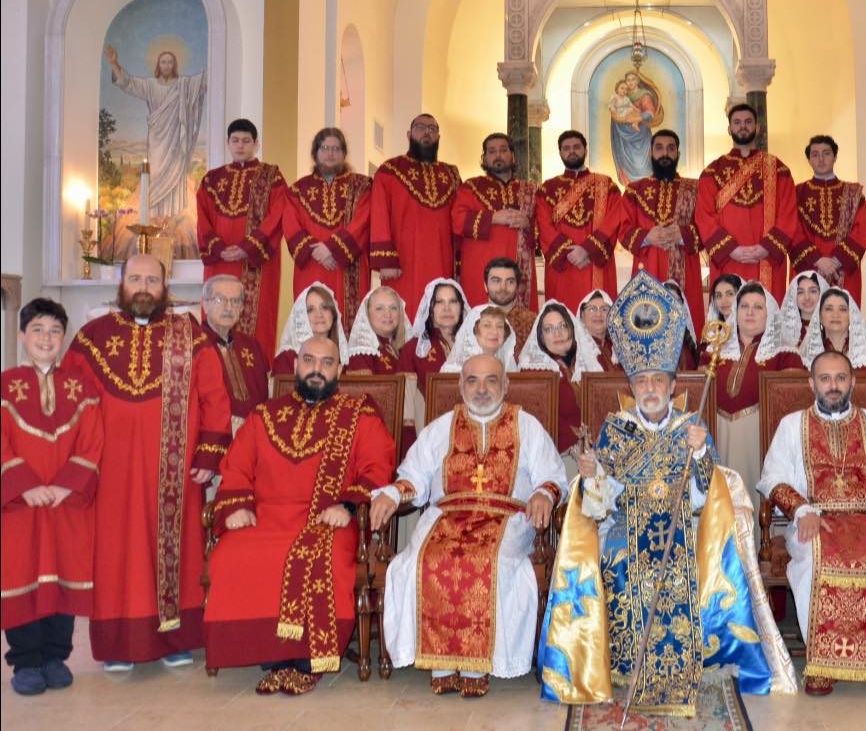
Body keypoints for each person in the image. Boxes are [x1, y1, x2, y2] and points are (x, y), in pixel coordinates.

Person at [543, 271, 790, 713]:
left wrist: (698, 457)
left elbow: (705, 500)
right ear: (631, 387)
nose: (652, 389)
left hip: (684, 524)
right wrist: (593, 475)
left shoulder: (690, 427)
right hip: (624, 526)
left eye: (659, 380)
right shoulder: (616, 429)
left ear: (674, 385)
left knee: (681, 561)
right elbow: (599, 507)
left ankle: (684, 664)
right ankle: (621, 665)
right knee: (617, 560)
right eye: (642, 382)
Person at [62, 254, 232, 669]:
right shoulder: (91, 336)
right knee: (116, 553)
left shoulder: (190, 336)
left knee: (178, 549)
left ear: (164, 286)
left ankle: (175, 641)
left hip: (173, 469)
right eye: (135, 278)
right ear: (122, 285)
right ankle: (119, 645)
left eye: (151, 279)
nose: (143, 286)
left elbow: (214, 397)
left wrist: (209, 451)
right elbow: (70, 398)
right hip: (111, 469)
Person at [203, 337, 394, 694]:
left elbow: (378, 466)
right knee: (232, 554)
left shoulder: (359, 415)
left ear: (340, 370)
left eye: (326, 363)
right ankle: (271, 655)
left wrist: (348, 506)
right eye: (309, 360)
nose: (317, 369)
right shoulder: (264, 415)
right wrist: (237, 506)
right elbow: (237, 465)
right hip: (265, 518)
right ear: (295, 367)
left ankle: (306, 660)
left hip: (328, 520)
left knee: (326, 557)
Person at [371, 354, 567, 696]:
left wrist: (543, 495)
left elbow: (552, 475)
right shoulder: (442, 426)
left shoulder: (527, 425)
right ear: (461, 386)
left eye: (491, 380)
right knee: (426, 560)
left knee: (487, 562)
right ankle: (442, 662)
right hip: (447, 515)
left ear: (505, 385)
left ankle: (479, 665)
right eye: (472, 381)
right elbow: (413, 475)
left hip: (506, 518)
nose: (481, 389)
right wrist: (392, 493)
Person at [759, 350, 866, 695]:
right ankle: (823, 664)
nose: (833, 386)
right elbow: (772, 476)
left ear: (852, 382)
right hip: (815, 519)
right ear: (812, 383)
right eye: (825, 379)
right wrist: (801, 511)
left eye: (840, 378)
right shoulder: (792, 425)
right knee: (813, 561)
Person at [2, 299, 103, 696]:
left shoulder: (83, 388)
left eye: (55, 331)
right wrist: (25, 484)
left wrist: (66, 485)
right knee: (20, 576)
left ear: (65, 338)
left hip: (66, 503)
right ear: (22, 335)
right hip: (20, 506)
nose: (46, 338)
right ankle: (25, 661)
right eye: (38, 330)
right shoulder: (5, 384)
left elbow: (94, 440)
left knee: (64, 573)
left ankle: (54, 656)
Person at [196, 119, 288, 358]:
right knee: (216, 311)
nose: (240, 145)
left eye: (246, 141)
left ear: (256, 144)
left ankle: (255, 373)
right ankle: (212, 367)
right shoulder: (211, 179)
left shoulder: (272, 177)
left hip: (256, 262)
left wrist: (249, 247)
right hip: (220, 260)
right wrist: (218, 247)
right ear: (228, 143)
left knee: (257, 321)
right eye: (235, 140)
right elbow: (202, 217)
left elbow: (278, 215)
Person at [696, 105, 800, 299]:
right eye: (737, 122)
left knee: (766, 318)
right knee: (728, 320)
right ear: (729, 129)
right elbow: (704, 216)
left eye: (748, 122)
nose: (742, 126)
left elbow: (788, 214)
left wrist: (766, 248)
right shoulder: (712, 172)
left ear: (757, 128)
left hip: (767, 259)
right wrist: (731, 250)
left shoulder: (779, 170)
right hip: (728, 259)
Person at [714, 281, 802, 503]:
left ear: (769, 313)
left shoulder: (784, 353)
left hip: (760, 440)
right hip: (717, 438)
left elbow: (790, 407)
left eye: (758, 307)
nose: (750, 312)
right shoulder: (714, 349)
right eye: (744, 306)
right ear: (736, 311)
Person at [369, 114, 462, 312]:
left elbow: (459, 218)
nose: (427, 132)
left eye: (432, 129)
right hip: (402, 263)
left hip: (442, 259)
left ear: (438, 137)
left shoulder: (451, 174)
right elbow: (379, 214)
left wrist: (461, 262)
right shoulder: (390, 170)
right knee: (403, 315)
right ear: (409, 134)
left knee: (438, 312)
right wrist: (385, 259)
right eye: (420, 127)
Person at [102, 45, 206, 219]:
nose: (166, 65)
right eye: (163, 62)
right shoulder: (150, 85)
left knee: (175, 172)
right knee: (156, 174)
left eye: (170, 62)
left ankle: (174, 217)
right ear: (159, 65)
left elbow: (204, 81)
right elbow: (128, 83)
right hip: (157, 138)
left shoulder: (184, 85)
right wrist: (114, 63)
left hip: (175, 140)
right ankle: (155, 217)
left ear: (174, 65)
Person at [284, 127, 372, 326]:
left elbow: (363, 221)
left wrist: (332, 249)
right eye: (325, 148)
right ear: (315, 152)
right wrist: (317, 252)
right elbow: (290, 225)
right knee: (311, 324)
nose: (330, 153)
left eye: (336, 148)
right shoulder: (297, 190)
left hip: (348, 265)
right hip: (311, 266)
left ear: (344, 153)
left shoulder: (362, 186)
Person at [619, 130, 706, 330]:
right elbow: (623, 231)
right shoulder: (634, 190)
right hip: (647, 268)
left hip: (686, 270)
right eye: (659, 148)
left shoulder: (696, 189)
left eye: (670, 148)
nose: (664, 153)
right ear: (651, 153)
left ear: (678, 154)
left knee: (686, 333)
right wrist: (647, 236)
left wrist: (682, 235)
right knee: (647, 329)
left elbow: (708, 229)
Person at [535, 130, 623, 308]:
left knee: (597, 320)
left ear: (585, 150)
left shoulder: (607, 185)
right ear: (560, 152)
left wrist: (587, 250)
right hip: (562, 266)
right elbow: (542, 224)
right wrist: (568, 253)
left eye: (576, 147)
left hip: (595, 263)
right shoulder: (548, 188)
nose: (571, 151)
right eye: (566, 148)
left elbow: (614, 221)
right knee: (562, 320)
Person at [452, 133, 539, 311]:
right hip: (479, 271)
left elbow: (543, 229)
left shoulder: (531, 190)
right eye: (491, 151)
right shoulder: (471, 186)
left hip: (520, 272)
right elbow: (457, 221)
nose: (498, 155)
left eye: (503, 150)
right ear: (485, 158)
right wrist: (492, 218)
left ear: (513, 156)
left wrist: (528, 224)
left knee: (521, 327)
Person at [517, 301, 604, 464]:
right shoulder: (535, 372)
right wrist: (582, 449)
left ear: (573, 329)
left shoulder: (584, 364)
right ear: (541, 337)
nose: (557, 334)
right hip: (559, 456)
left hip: (595, 450)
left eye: (562, 326)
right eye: (549, 329)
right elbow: (542, 425)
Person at [790, 135, 866, 301]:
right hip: (808, 269)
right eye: (815, 154)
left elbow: (860, 233)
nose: (821, 159)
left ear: (835, 157)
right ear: (809, 160)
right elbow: (792, 230)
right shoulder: (796, 194)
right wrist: (817, 260)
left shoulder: (854, 193)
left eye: (826, 153)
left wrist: (837, 261)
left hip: (844, 271)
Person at [200, 274, 270, 433]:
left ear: (242, 308)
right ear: (205, 305)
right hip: (211, 437)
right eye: (220, 300)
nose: (228, 307)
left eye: (235, 301)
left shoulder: (252, 346)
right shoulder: (195, 345)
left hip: (254, 434)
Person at [398, 278, 467, 395]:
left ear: (461, 308)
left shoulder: (475, 344)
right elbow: (406, 400)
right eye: (440, 302)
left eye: (453, 301)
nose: (447, 308)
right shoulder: (412, 349)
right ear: (430, 309)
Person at [799, 288, 866, 371]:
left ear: (851, 316)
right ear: (820, 317)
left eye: (842, 309)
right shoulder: (807, 357)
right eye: (829, 309)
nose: (836, 314)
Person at [273, 284, 349, 375]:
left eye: (325, 308)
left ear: (333, 314)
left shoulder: (342, 357)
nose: (319, 314)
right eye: (310, 310)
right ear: (301, 317)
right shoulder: (287, 359)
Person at [346, 286, 412, 375]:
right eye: (379, 308)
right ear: (367, 313)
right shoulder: (361, 354)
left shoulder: (407, 348)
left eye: (393, 308)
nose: (387, 314)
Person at [481, 257, 536, 361]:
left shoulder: (532, 322)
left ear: (517, 286)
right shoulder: (473, 320)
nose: (503, 287)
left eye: (510, 282)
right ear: (485, 285)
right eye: (496, 281)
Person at [441, 304, 519, 374]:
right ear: (474, 331)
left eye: (500, 326)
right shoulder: (453, 371)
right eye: (487, 325)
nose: (494, 331)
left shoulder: (509, 369)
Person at [779, 270, 828, 350]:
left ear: (821, 294)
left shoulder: (831, 327)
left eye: (813, 291)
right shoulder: (784, 330)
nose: (807, 297)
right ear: (794, 297)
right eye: (801, 292)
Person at [577, 290, 618, 371]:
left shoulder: (618, 349)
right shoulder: (577, 349)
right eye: (592, 309)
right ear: (582, 315)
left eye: (604, 309)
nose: (598, 314)